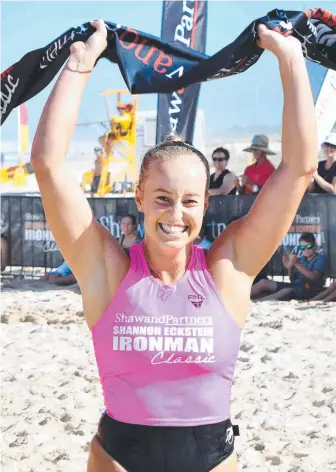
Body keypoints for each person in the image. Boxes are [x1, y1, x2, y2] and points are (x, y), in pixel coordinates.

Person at [30, 20, 318, 472]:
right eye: (162, 198)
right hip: (118, 459)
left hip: (213, 459)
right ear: (140, 197)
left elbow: (300, 168)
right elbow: (47, 164)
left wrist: (290, 60)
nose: (175, 214)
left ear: (205, 203)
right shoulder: (108, 270)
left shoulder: (229, 268)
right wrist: (80, 64)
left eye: (188, 201)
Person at [251, 232, 326, 301]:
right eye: (303, 247)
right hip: (296, 286)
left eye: (309, 246)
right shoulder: (301, 259)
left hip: (309, 289)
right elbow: (293, 280)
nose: (306, 250)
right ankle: (241, 298)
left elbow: (313, 277)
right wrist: (289, 268)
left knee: (287, 290)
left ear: (314, 245)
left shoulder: (320, 258)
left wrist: (296, 264)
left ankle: (257, 302)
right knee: (263, 282)